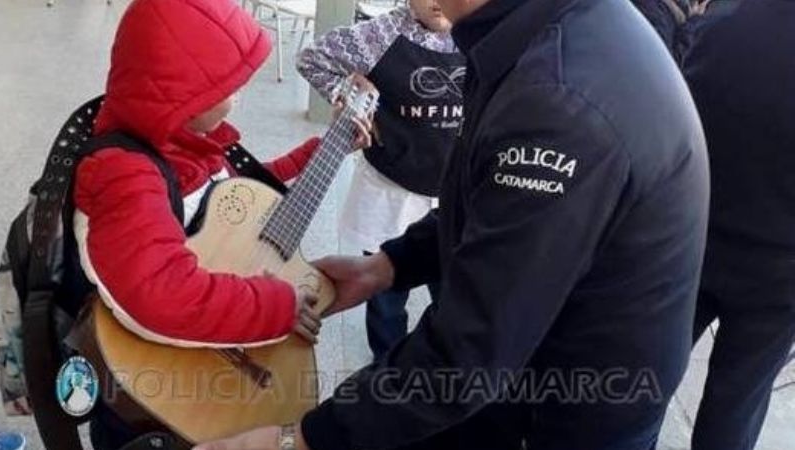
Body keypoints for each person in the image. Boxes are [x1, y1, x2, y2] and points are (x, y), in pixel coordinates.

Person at [197, 0, 709, 449]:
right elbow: (491, 204)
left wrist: (301, 438)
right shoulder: (532, 30)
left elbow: (467, 358)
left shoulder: (556, 100)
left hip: (570, 403)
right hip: (528, 351)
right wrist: (388, 265)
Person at [69, 0, 369, 448]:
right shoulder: (125, 174)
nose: (238, 99)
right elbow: (163, 295)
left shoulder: (181, 141)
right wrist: (277, 306)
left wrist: (317, 154)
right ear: (181, 97)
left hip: (197, 350)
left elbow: (234, 197)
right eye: (226, 89)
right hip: (150, 399)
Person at [296, 0, 463, 360]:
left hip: (452, 188)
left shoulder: (476, 33)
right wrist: (351, 97)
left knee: (452, 285)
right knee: (386, 295)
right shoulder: (380, 34)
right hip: (392, 186)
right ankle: (386, 364)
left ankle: (444, 364)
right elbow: (312, 58)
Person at [684, 1, 795, 448]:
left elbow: (684, 114)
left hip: (697, 238)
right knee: (737, 403)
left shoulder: (731, 21)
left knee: (640, 376)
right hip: (780, 274)